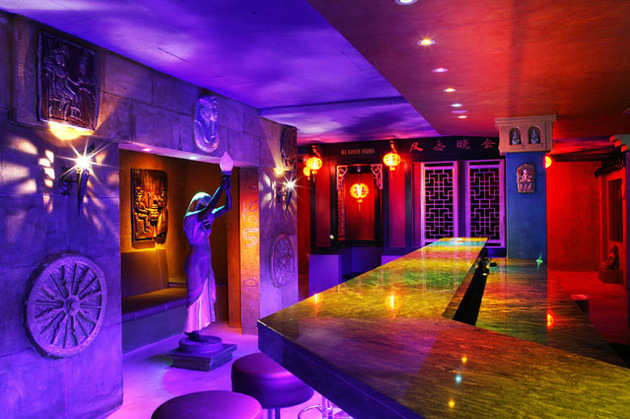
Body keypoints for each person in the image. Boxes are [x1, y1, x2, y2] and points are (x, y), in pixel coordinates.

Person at [183, 175, 231, 342]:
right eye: (203, 205)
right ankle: (191, 329)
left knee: (204, 293)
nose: (207, 209)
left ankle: (197, 327)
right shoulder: (191, 218)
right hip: (196, 261)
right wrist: (221, 187)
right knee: (194, 295)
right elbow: (210, 208)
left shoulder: (206, 217)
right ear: (197, 205)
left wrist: (227, 191)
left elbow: (227, 207)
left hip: (205, 260)